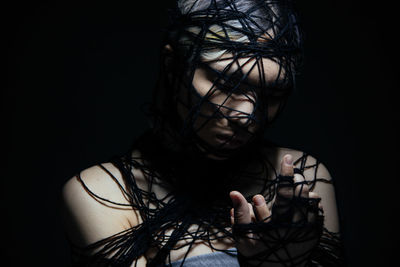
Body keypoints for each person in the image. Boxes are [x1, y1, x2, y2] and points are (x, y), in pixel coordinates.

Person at [61, 0, 345, 266]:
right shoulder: (105, 195)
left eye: (272, 94)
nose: (247, 115)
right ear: (174, 66)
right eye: (226, 82)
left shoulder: (301, 180)